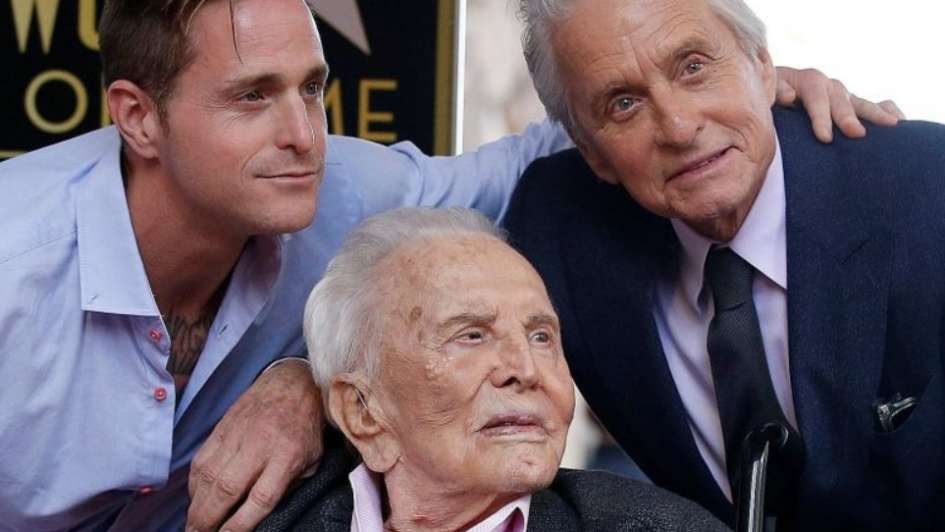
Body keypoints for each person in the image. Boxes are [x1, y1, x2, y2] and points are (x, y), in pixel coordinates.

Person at [0, 0, 898, 530]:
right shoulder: (14, 260)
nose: (302, 134)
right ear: (137, 117)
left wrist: (755, 91)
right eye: (251, 98)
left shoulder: (343, 186)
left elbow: (569, 138)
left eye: (311, 88)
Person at [504, 0, 945, 530]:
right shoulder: (555, 225)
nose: (679, 127)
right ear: (590, 152)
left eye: (693, 67)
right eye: (624, 103)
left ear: (763, 64)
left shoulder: (929, 189)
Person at [258, 206, 731, 532]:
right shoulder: (265, 519)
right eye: (472, 336)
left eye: (541, 336)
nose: (526, 369)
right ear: (362, 410)